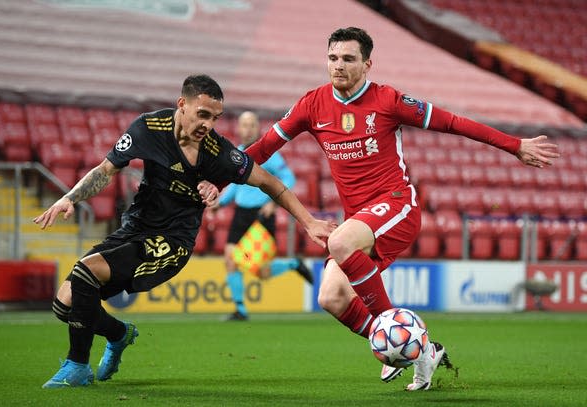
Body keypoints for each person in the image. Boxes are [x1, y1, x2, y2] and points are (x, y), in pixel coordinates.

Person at [244, 27, 559, 391]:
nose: (338, 66)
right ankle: (421, 352)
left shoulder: (388, 100)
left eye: (348, 59)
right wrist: (216, 178)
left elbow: (454, 123)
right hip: (361, 220)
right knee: (330, 296)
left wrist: (514, 145)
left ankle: (395, 329)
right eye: (333, 58)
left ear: (367, 64)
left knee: (340, 242)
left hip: (397, 206)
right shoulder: (312, 105)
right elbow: (264, 147)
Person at [33, 74, 335, 388]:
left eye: (215, 118)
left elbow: (271, 183)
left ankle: (77, 367)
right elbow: (106, 169)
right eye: (202, 114)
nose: (208, 124)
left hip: (173, 241)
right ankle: (119, 334)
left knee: (85, 270)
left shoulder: (219, 153)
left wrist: (308, 221)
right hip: (134, 229)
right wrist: (70, 197)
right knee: (64, 304)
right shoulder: (148, 129)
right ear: (182, 105)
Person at [217, 111, 314, 321]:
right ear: (239, 129)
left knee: (262, 272)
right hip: (240, 213)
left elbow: (288, 178)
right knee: (230, 259)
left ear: (258, 128)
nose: (248, 129)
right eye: (244, 125)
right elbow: (235, 185)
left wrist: (273, 202)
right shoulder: (237, 154)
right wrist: (221, 203)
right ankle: (240, 310)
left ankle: (293, 264)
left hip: (261, 215)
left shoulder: (267, 154)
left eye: (252, 125)